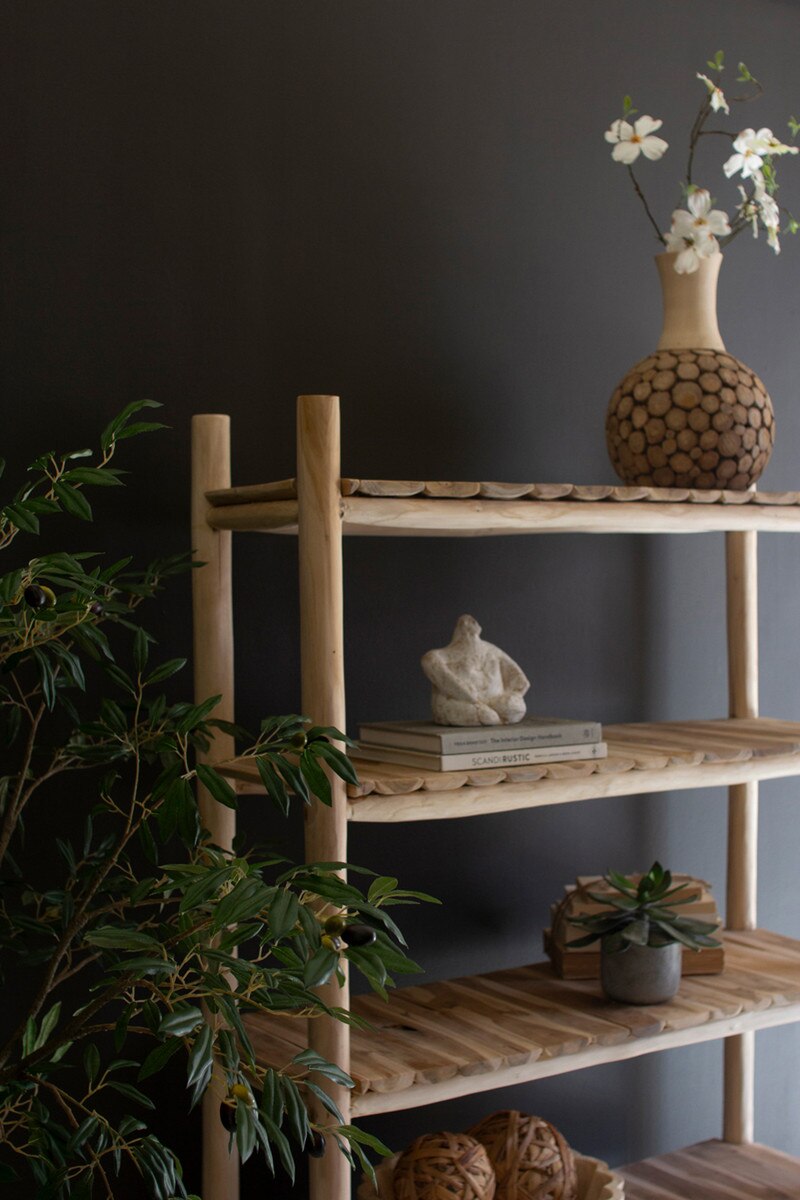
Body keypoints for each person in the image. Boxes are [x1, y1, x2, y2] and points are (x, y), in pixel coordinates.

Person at [421, 614, 530, 726]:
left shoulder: (492, 650)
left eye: (472, 623)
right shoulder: (438, 656)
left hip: (495, 703)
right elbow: (434, 667)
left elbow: (521, 682)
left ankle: (493, 712)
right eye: (465, 625)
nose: (469, 623)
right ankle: (486, 713)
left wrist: (512, 698)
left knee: (515, 707)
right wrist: (470, 697)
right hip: (462, 704)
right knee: (485, 715)